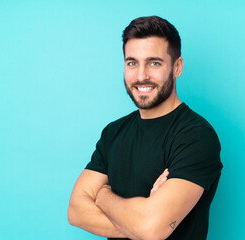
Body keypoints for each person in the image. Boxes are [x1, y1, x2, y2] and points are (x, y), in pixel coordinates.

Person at [68, 16, 223, 240]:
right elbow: (76, 212)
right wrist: (139, 221)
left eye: (154, 63)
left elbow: (151, 230)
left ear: (177, 67)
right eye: (132, 63)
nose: (141, 76)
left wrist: (102, 195)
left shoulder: (196, 136)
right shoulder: (114, 132)